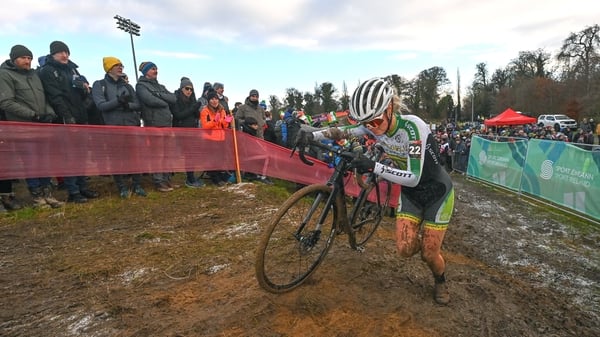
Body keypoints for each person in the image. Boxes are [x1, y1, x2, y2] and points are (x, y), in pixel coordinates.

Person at [296, 77, 454, 305]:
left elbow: (414, 178)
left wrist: (372, 166)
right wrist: (311, 135)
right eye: (366, 124)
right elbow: (343, 130)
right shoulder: (372, 124)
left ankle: (440, 280)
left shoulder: (413, 128)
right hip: (412, 197)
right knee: (405, 250)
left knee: (429, 254)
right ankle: (428, 242)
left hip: (437, 192)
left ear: (390, 107)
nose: (372, 128)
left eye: (376, 121)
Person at [0, 44, 62, 208]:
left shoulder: (34, 75)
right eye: (23, 58)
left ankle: (48, 194)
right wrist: (33, 115)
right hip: (22, 127)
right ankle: (37, 196)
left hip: (42, 125)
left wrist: (49, 112)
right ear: (14, 59)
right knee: (31, 161)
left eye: (29, 58)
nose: (27, 61)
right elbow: (6, 102)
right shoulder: (5, 75)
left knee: (45, 161)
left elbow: (44, 98)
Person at [38, 40, 99, 203]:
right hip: (64, 119)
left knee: (81, 154)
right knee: (69, 156)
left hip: (81, 116)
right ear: (53, 54)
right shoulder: (48, 71)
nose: (65, 55)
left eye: (67, 52)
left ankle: (82, 186)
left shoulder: (73, 69)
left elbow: (85, 94)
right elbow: (55, 97)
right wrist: (67, 116)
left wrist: (84, 90)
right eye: (61, 52)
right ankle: (73, 191)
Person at [91, 56, 147, 198]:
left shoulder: (127, 86)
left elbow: (138, 105)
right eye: (117, 65)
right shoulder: (99, 84)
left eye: (121, 65)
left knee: (135, 157)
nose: (121, 67)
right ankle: (121, 187)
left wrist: (127, 105)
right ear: (109, 68)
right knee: (116, 158)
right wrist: (118, 101)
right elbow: (101, 105)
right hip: (113, 127)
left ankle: (137, 185)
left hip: (131, 125)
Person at [135, 61, 178, 192]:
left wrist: (159, 95)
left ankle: (167, 179)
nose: (156, 70)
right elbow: (149, 100)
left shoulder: (161, 86)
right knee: (158, 154)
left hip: (167, 123)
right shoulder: (141, 86)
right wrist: (164, 101)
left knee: (168, 153)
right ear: (146, 71)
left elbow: (173, 98)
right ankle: (159, 181)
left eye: (156, 68)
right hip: (154, 123)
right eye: (153, 69)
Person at [172, 77, 204, 188]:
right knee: (188, 155)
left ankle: (191, 176)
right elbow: (178, 115)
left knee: (192, 155)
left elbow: (197, 116)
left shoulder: (192, 100)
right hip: (181, 131)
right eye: (187, 88)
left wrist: (195, 107)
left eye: (191, 89)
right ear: (181, 88)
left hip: (192, 130)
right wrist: (193, 107)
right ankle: (189, 178)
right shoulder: (176, 99)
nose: (189, 91)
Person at [200, 90, 232, 185]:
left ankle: (220, 176)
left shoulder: (222, 110)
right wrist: (214, 121)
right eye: (212, 99)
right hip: (210, 139)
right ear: (209, 100)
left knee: (220, 158)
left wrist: (227, 121)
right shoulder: (205, 111)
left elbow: (224, 126)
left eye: (216, 99)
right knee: (212, 159)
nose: (214, 101)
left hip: (221, 138)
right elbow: (205, 126)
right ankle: (215, 178)